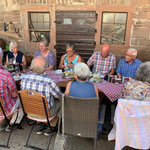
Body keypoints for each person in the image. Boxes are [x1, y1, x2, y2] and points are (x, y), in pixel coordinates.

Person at [21, 56, 61, 136]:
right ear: (45, 68)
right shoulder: (50, 81)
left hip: (29, 112)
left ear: (31, 66)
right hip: (45, 113)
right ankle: (51, 127)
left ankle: (39, 126)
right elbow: (59, 96)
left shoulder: (24, 79)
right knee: (61, 102)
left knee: (35, 100)